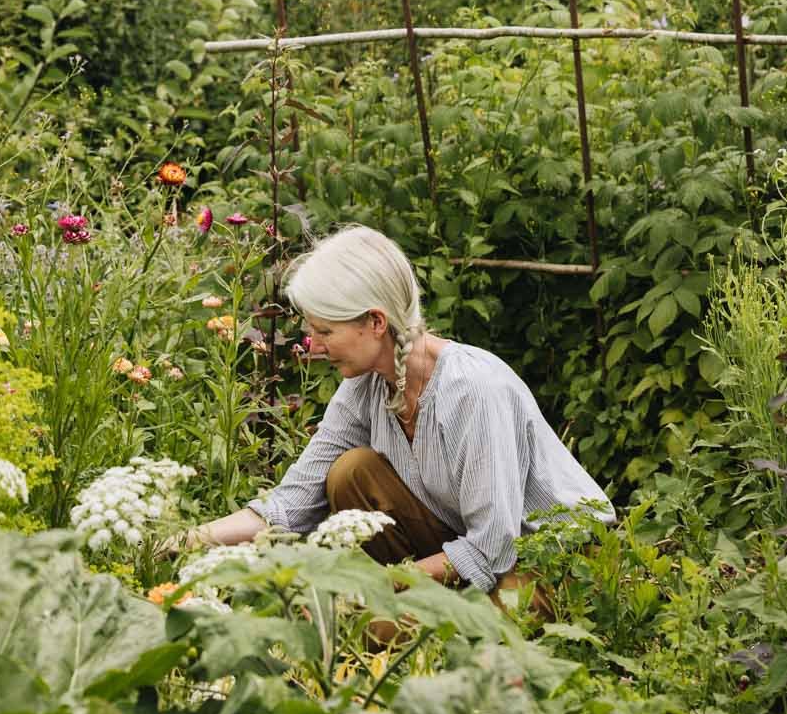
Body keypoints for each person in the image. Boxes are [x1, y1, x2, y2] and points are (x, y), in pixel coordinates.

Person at [180, 225, 612, 598]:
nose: (313, 344)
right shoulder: (364, 387)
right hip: (465, 550)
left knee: (374, 627)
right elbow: (291, 504)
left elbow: (493, 550)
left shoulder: (472, 391)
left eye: (325, 330)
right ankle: (430, 610)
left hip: (546, 566)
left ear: (375, 322)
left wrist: (380, 587)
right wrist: (186, 541)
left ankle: (458, 627)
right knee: (353, 471)